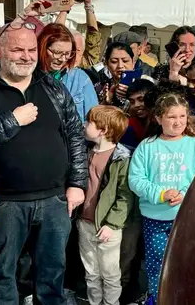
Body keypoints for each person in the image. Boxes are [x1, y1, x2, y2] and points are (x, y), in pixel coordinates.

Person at [0, 19, 88, 305]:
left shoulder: (52, 87)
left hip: (54, 200)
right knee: (3, 277)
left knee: (52, 277)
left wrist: (77, 183)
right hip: (4, 202)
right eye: (17, 50)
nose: (26, 56)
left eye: (30, 50)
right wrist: (12, 121)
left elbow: (75, 135)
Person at [128, 93, 195, 304]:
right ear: (158, 118)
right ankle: (158, 298)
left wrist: (184, 193)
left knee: (187, 262)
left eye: (182, 116)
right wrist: (161, 194)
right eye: (172, 117)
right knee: (158, 264)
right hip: (155, 217)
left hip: (185, 218)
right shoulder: (147, 147)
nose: (178, 121)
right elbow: (136, 180)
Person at [79, 106, 134, 305]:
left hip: (108, 227)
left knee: (110, 273)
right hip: (85, 222)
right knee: (91, 271)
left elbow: (124, 195)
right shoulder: (84, 152)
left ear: (103, 130)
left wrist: (112, 224)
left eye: (89, 122)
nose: (84, 125)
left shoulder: (121, 158)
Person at [38, 23, 98, 121]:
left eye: (67, 54)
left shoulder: (80, 78)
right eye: (57, 53)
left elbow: (94, 119)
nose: (62, 59)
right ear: (43, 47)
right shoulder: (29, 77)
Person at [95, 42, 136, 108]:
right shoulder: (100, 88)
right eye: (114, 61)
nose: (120, 66)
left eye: (125, 61)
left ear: (133, 63)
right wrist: (105, 103)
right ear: (107, 64)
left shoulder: (145, 85)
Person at [120, 79, 155, 151]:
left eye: (141, 99)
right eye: (132, 102)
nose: (136, 105)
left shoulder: (165, 124)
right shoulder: (128, 127)